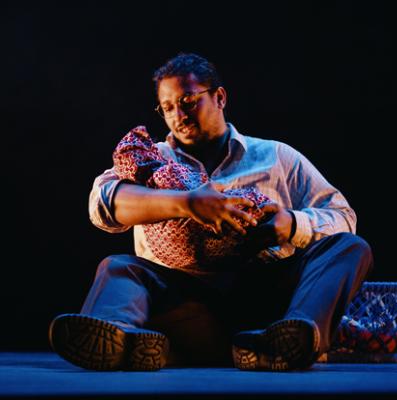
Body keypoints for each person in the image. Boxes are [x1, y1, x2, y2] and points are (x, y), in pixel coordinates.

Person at [49, 52, 373, 372]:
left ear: (219, 97)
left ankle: (295, 336)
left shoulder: (276, 157)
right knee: (119, 267)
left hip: (266, 304)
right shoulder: (152, 158)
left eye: (189, 101)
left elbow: (343, 216)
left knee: (350, 248)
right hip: (186, 306)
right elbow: (102, 203)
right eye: (168, 107)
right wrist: (187, 203)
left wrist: (291, 224)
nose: (179, 114)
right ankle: (118, 334)